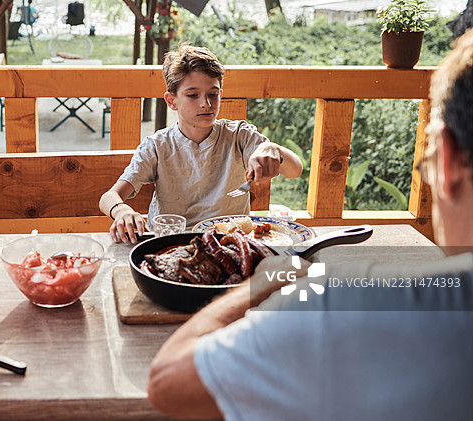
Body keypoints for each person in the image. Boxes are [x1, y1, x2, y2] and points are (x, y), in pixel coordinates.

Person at [147, 30, 473, 420]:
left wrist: (264, 281)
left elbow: (168, 383)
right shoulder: (160, 145)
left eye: (427, 160)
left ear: (447, 160)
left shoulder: (337, 303)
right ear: (173, 100)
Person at [99, 44, 303, 242]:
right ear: (171, 101)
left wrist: (273, 149)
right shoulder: (157, 146)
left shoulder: (239, 135)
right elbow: (109, 196)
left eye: (212, 94)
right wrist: (121, 210)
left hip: (230, 244)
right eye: (192, 95)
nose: (206, 103)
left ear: (220, 95)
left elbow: (295, 170)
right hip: (173, 243)